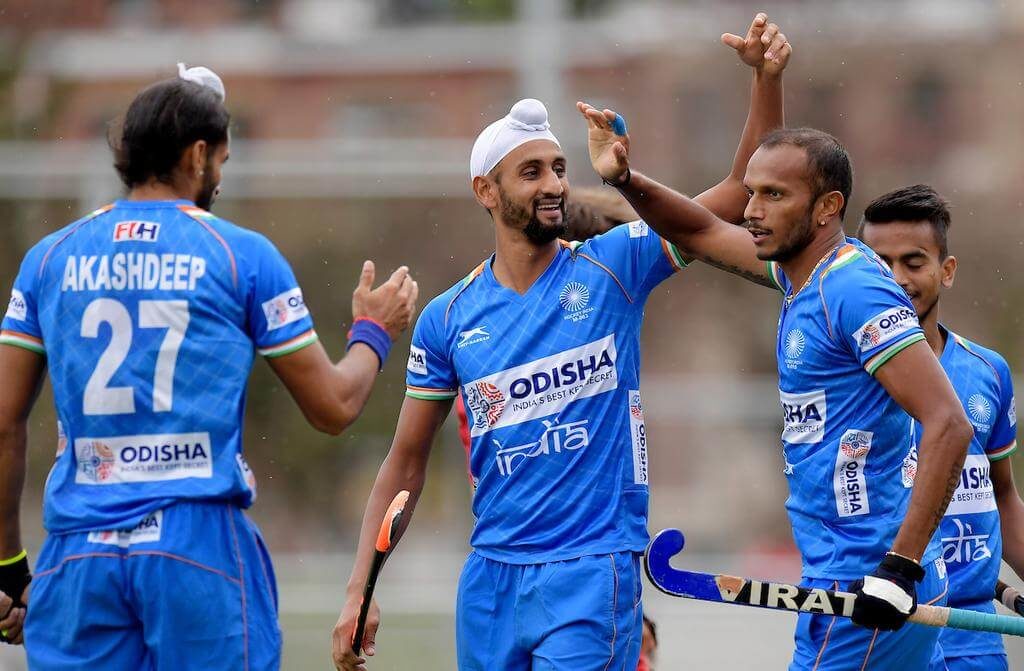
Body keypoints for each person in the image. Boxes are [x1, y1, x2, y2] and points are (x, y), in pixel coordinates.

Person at [332, 14, 791, 671]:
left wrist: (765, 81)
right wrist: (361, 588)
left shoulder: (614, 265)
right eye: (531, 172)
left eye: (558, 168)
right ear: (485, 191)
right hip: (489, 581)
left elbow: (738, 192)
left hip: (591, 572)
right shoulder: (446, 318)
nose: (553, 184)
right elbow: (404, 465)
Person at [0, 64, 417, 670]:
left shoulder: (49, 258)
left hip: (78, 553)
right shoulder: (239, 254)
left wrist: (9, 566)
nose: (220, 179)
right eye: (221, 161)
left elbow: (4, 423)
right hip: (195, 546)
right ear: (198, 155)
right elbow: (334, 407)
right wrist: (374, 332)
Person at [576, 112, 973, 667]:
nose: (751, 210)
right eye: (753, 192)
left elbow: (950, 423)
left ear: (827, 208)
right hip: (844, 576)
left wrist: (899, 568)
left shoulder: (852, 288)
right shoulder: (801, 272)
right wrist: (624, 179)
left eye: (774, 195)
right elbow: (698, 231)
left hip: (867, 582)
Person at [859, 185, 1022, 671]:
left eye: (913, 262)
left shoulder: (988, 371)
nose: (896, 278)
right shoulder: (844, 379)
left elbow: (1003, 497)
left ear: (946, 271)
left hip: (973, 635)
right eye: (879, 263)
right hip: (883, 630)